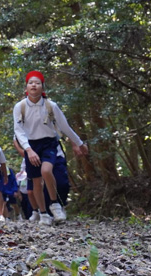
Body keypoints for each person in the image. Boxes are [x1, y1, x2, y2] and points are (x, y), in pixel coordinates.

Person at [13, 70, 88, 225]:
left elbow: (65, 126)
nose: (34, 85)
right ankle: (43, 213)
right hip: (31, 145)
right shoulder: (19, 107)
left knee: (46, 170)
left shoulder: (50, 106)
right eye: (31, 82)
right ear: (26, 87)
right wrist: (28, 149)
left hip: (49, 143)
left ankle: (54, 204)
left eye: (37, 83)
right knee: (36, 182)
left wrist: (79, 143)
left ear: (42, 87)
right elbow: (18, 130)